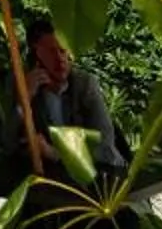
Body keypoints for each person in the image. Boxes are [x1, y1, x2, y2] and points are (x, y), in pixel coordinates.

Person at [24, 14, 125, 177]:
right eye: (51, 52)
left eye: (63, 51)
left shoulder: (84, 84)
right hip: (55, 180)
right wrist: (24, 101)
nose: (60, 59)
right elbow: (7, 143)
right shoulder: (28, 88)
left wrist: (53, 153)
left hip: (105, 176)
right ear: (36, 56)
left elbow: (103, 145)